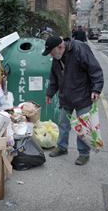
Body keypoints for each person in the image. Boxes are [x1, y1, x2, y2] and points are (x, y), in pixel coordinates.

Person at [42, 35, 104, 165]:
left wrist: (96, 89)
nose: (51, 56)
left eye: (52, 53)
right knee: (63, 124)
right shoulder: (57, 57)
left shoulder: (80, 49)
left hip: (83, 95)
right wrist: (50, 93)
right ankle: (62, 147)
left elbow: (95, 70)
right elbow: (54, 76)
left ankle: (83, 154)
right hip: (66, 96)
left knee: (83, 128)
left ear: (60, 47)